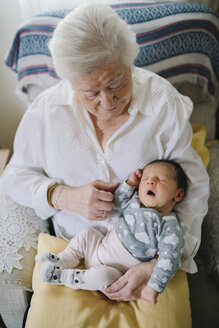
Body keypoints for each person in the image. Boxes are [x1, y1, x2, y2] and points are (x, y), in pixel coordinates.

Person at [3, 3, 209, 302]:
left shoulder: (163, 103)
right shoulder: (47, 112)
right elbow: (15, 177)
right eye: (91, 93)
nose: (109, 102)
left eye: (116, 83)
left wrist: (157, 266)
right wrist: (62, 195)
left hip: (150, 266)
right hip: (75, 254)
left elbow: (194, 191)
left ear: (128, 61)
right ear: (70, 82)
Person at [36, 159, 187, 305]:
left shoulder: (170, 225)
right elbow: (116, 201)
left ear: (178, 195)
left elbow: (169, 259)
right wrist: (130, 184)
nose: (150, 182)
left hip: (115, 272)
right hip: (98, 248)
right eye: (145, 178)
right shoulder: (135, 201)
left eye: (160, 180)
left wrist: (154, 287)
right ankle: (61, 260)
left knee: (102, 277)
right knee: (89, 234)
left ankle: (63, 276)